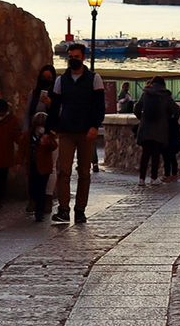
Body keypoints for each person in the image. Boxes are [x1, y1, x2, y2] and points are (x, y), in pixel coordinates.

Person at [47, 42, 105, 224]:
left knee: (84, 172)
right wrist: (52, 128)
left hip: (86, 132)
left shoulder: (94, 79)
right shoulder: (60, 81)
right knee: (63, 170)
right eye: (70, 57)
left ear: (83, 58)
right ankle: (64, 209)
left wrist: (95, 126)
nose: (73, 60)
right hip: (66, 131)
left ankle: (80, 210)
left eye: (76, 57)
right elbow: (55, 107)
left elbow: (99, 106)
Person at [134, 76, 180, 185]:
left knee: (145, 154)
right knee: (156, 154)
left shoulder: (145, 93)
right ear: (163, 84)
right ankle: (154, 178)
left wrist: (142, 119)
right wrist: (171, 120)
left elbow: (136, 108)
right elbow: (176, 110)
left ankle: (141, 179)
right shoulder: (165, 95)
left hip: (145, 128)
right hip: (159, 129)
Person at [19, 111, 58, 222]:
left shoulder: (49, 136)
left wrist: (47, 141)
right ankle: (34, 202)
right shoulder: (28, 135)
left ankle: (39, 212)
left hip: (44, 167)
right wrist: (19, 162)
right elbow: (22, 149)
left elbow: (54, 146)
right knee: (33, 188)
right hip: (32, 166)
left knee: (41, 189)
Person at [163, 101, 180, 182]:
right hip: (173, 135)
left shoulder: (165, 119)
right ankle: (173, 174)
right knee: (172, 156)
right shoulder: (173, 119)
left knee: (167, 156)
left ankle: (167, 174)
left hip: (166, 135)